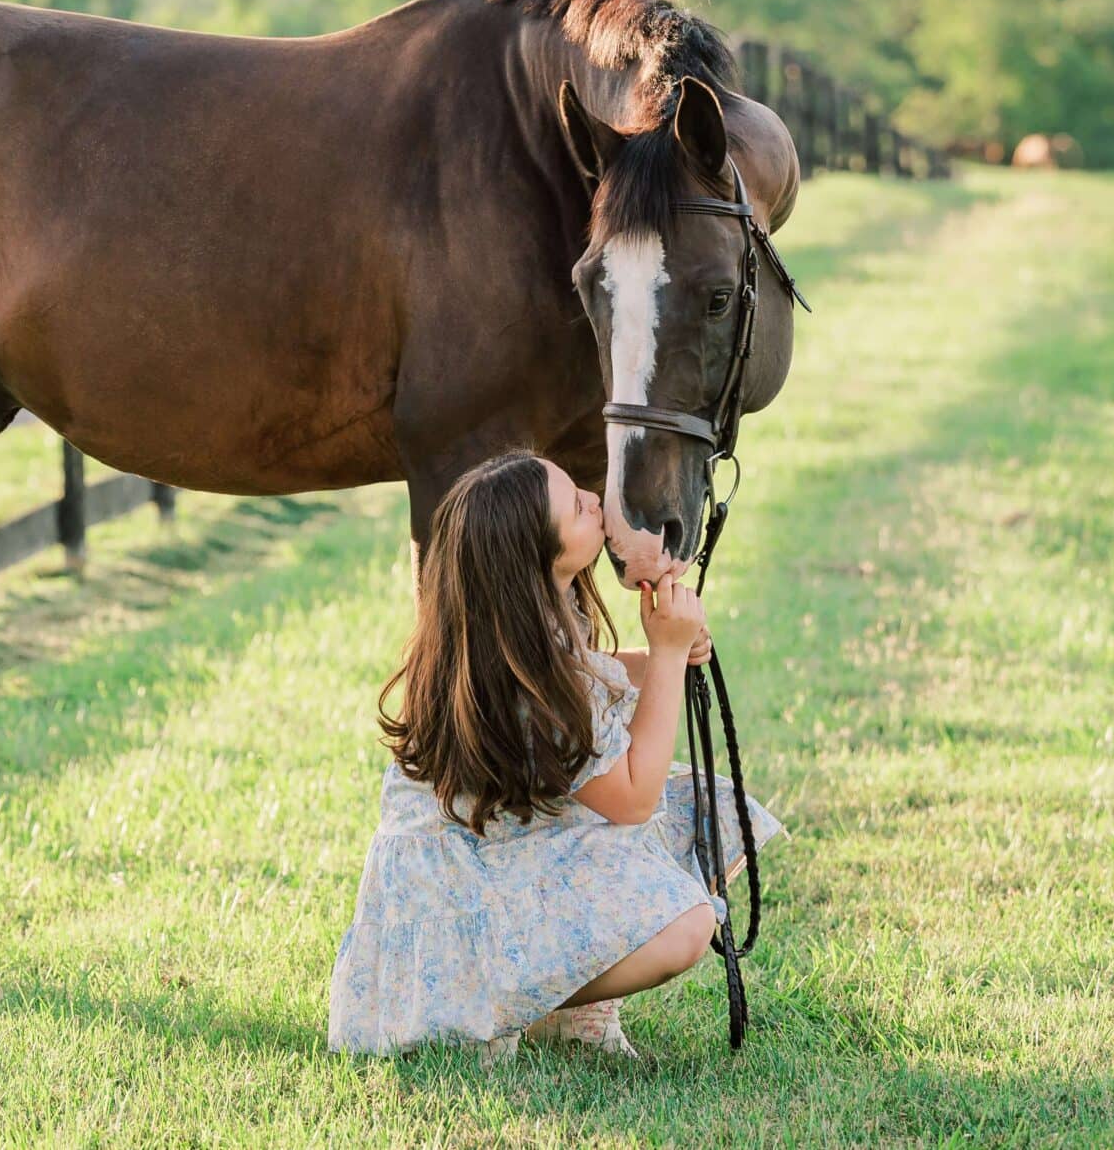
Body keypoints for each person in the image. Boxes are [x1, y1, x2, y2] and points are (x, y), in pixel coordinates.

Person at [327, 450, 784, 1061]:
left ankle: (559, 1014)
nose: (596, 501)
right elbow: (631, 798)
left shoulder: (514, 632)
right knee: (687, 924)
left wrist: (658, 659)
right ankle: (506, 999)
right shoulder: (532, 688)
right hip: (460, 897)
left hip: (490, 854)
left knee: (703, 807)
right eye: (576, 505)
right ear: (536, 557)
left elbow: (590, 677)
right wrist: (670, 657)